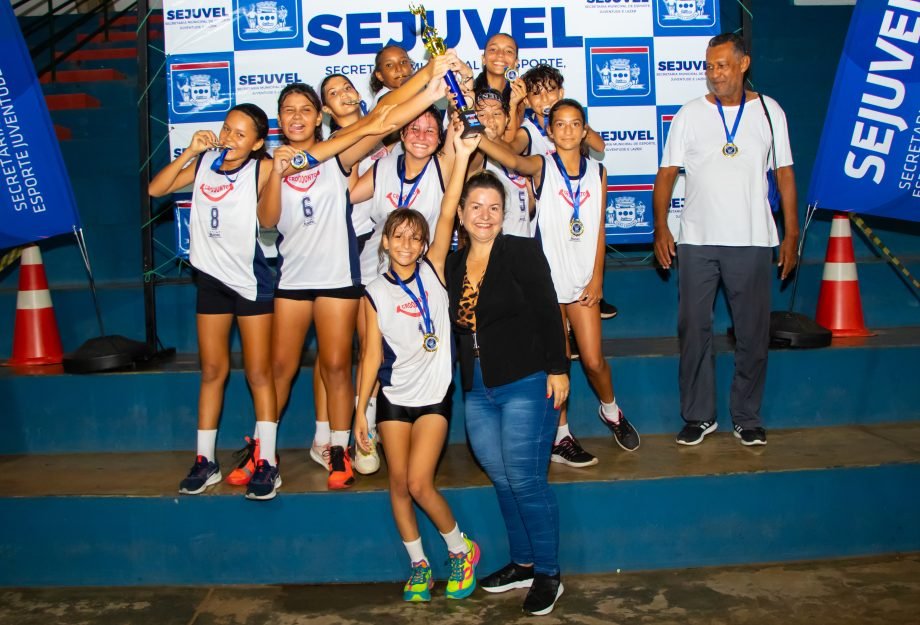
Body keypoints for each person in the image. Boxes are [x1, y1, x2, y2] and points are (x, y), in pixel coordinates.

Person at [263, 76, 449, 491]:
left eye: (304, 110)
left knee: (338, 362)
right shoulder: (273, 162)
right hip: (300, 275)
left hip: (344, 273)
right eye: (289, 111)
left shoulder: (339, 153)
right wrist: (275, 172)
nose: (297, 117)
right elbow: (267, 220)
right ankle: (267, 450)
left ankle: (342, 445)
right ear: (280, 119)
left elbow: (383, 120)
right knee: (287, 367)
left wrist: (429, 88)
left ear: (318, 118)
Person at [354, 131, 483, 603]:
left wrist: (463, 156)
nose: (407, 243)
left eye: (415, 236)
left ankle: (460, 547)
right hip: (392, 398)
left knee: (418, 481)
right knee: (397, 485)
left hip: (433, 396)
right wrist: (358, 414)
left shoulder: (433, 268)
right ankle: (418, 566)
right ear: (384, 241)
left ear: (425, 242)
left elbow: (448, 207)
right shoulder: (373, 293)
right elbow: (370, 356)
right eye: (398, 236)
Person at [653, 33, 799, 448]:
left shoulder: (771, 112)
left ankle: (746, 416)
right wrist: (661, 227)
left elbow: (784, 174)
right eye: (709, 66)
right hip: (697, 240)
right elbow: (667, 174)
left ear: (744, 64)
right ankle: (700, 416)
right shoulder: (689, 114)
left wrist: (791, 234)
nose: (715, 74)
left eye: (723, 65)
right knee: (694, 330)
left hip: (753, 238)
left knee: (752, 332)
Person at [444, 130, 569, 615]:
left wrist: (558, 370)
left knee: (525, 477)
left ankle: (548, 572)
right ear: (460, 213)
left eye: (493, 206)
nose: (484, 214)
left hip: (527, 381)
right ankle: (521, 562)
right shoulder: (452, 264)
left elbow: (547, 311)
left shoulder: (520, 252)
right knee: (502, 478)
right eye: (474, 206)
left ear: (505, 212)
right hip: (477, 389)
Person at [476, 99, 641, 460]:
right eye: (560, 124)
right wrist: (476, 135)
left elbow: (598, 229)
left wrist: (597, 279)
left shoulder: (599, 173)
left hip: (583, 282)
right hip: (546, 286)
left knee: (594, 361)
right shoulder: (542, 166)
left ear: (584, 131)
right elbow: (513, 160)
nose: (567, 130)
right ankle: (561, 436)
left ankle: (611, 410)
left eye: (574, 124)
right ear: (549, 131)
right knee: (558, 364)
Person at [148, 104, 280, 500]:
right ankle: (205, 461)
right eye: (227, 129)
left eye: (242, 134)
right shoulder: (205, 162)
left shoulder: (264, 168)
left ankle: (268, 462)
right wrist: (188, 152)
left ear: (258, 142)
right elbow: (156, 189)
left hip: (252, 279)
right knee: (211, 370)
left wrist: (275, 173)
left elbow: (271, 219)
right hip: (210, 280)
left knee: (258, 373)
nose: (230, 138)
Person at [508, 65, 619, 322]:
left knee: (582, 248)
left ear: (562, 92)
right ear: (527, 100)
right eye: (537, 94)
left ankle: (588, 299)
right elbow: (511, 150)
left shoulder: (570, 121)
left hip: (579, 210)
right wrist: (515, 109)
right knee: (553, 270)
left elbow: (600, 146)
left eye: (551, 92)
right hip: (550, 213)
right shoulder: (528, 130)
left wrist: (568, 119)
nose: (545, 99)